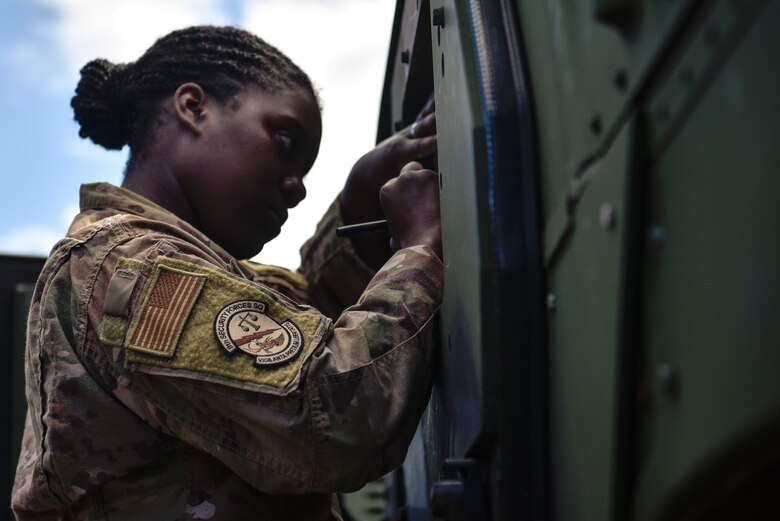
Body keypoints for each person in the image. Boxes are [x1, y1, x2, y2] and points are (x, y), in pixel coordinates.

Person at [11, 25, 442, 521]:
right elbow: (333, 414)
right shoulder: (136, 269)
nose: (298, 188)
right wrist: (421, 253)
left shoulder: (167, 265)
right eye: (285, 141)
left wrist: (359, 201)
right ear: (193, 107)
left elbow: (303, 328)